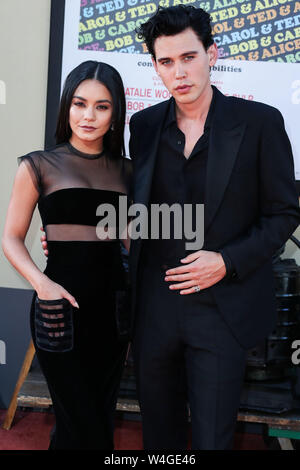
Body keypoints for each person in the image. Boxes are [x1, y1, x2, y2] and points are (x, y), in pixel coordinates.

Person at [127, 6, 300, 450]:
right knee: (158, 439)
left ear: (212, 54)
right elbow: (132, 208)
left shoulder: (260, 123)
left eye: (188, 57)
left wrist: (226, 261)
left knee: (212, 440)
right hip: (154, 308)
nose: (179, 72)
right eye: (166, 62)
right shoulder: (143, 127)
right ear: (155, 66)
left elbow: (283, 214)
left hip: (222, 309)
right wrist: (73, 236)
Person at [2, 60, 132, 450]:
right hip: (59, 308)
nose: (88, 116)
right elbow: (11, 237)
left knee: (98, 416)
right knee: (79, 419)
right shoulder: (38, 165)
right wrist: (42, 284)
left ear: (116, 113)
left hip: (114, 311)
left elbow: (130, 240)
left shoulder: (130, 171)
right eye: (79, 103)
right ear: (66, 107)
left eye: (102, 106)